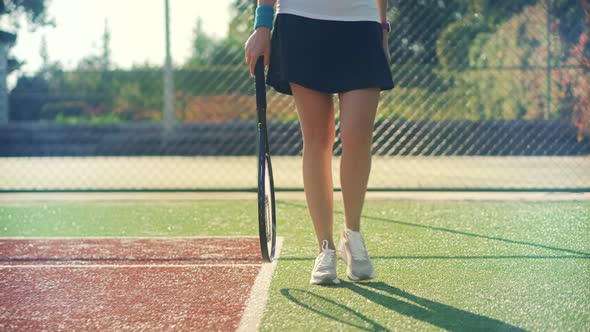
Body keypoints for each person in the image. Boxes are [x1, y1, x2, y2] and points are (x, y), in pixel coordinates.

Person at [244, 0, 394, 285]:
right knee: (317, 138)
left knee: (357, 135)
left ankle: (353, 235)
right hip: (301, 22)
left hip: (361, 24)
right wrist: (262, 23)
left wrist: (382, 29)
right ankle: (325, 247)